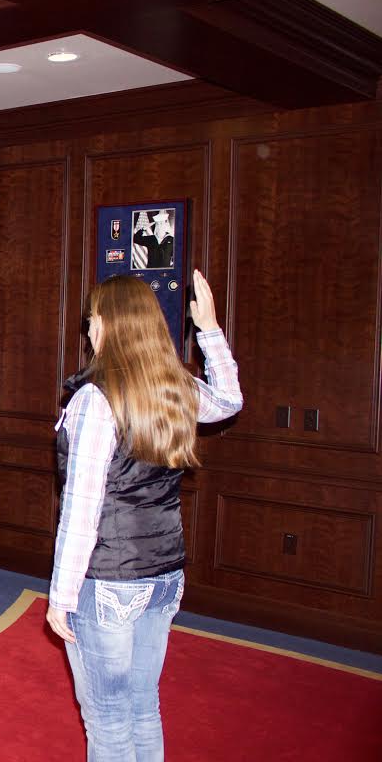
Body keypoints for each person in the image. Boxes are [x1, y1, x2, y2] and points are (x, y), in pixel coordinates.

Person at [46, 269, 242, 761]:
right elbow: (230, 400)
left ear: (113, 325)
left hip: (109, 580)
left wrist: (60, 596)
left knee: (108, 719)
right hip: (164, 576)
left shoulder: (96, 399)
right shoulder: (173, 389)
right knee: (142, 707)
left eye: (93, 320)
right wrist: (210, 330)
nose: (88, 331)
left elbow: (82, 509)